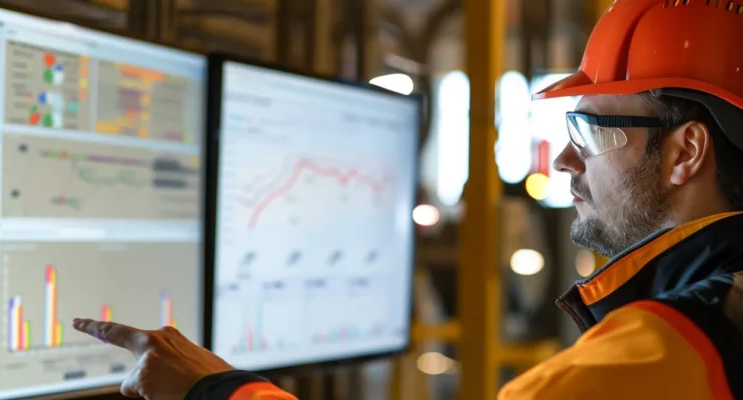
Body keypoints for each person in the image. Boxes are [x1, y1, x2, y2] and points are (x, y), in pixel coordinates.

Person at [73, 0, 743, 398]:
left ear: (686, 151)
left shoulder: (656, 360)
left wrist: (216, 391)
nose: (566, 159)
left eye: (590, 129)